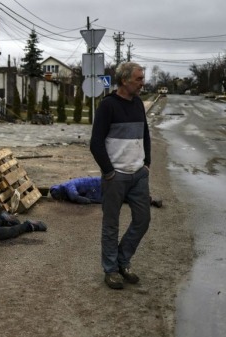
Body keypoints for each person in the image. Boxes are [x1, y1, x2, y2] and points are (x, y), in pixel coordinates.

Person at [89, 62, 151, 290]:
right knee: (111, 225)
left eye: (142, 78)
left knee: (143, 219)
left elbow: (145, 134)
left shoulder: (138, 105)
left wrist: (147, 164)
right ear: (124, 80)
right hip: (116, 176)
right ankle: (111, 270)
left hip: (138, 175)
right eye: (138, 79)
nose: (142, 83)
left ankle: (123, 261)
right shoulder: (108, 106)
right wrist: (109, 172)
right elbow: (95, 143)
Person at [50, 176, 163, 208]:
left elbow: (74, 196)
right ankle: (149, 200)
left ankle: (150, 200)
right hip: (97, 188)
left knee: (123, 194)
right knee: (122, 196)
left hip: (98, 187)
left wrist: (86, 201)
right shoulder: (67, 186)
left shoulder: (67, 186)